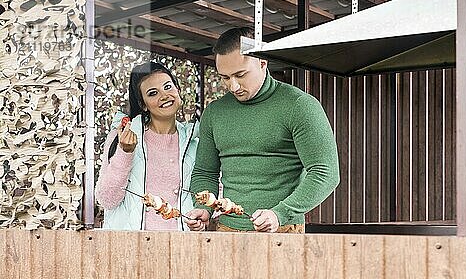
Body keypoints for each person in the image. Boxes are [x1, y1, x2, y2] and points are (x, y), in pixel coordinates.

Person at [185, 27, 339, 233]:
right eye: (225, 77)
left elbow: (325, 172)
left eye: (240, 75)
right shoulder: (215, 112)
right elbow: (205, 172)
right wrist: (204, 208)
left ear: (262, 62)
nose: (233, 86)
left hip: (283, 230)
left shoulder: (299, 105)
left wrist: (280, 213)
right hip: (225, 230)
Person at [96, 61, 198, 230]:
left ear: (178, 90)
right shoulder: (122, 136)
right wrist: (125, 152)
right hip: (133, 247)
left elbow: (212, 197)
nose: (164, 96)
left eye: (168, 87)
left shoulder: (193, 142)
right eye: (152, 93)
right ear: (143, 104)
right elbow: (107, 199)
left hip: (181, 246)